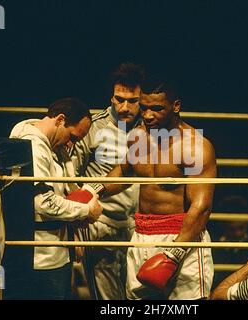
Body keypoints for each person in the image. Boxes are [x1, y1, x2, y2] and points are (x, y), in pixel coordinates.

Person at [82, 74, 216, 299]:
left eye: (156, 108)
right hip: (142, 234)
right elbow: (124, 172)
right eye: (143, 108)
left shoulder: (194, 146)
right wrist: (91, 190)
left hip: (182, 236)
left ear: (176, 106)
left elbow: (201, 206)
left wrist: (174, 253)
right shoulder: (138, 137)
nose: (147, 115)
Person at [9, 97, 103, 299]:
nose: (71, 144)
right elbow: (43, 202)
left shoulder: (52, 145)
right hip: (42, 256)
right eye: (72, 137)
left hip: (54, 251)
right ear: (60, 119)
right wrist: (86, 210)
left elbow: (66, 189)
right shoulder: (32, 147)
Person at [70, 62, 144, 299]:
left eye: (132, 100)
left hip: (138, 227)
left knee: (137, 295)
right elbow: (69, 177)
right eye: (118, 98)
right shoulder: (93, 126)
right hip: (99, 225)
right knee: (107, 299)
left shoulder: (151, 129)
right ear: (111, 97)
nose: (124, 106)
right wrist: (74, 229)